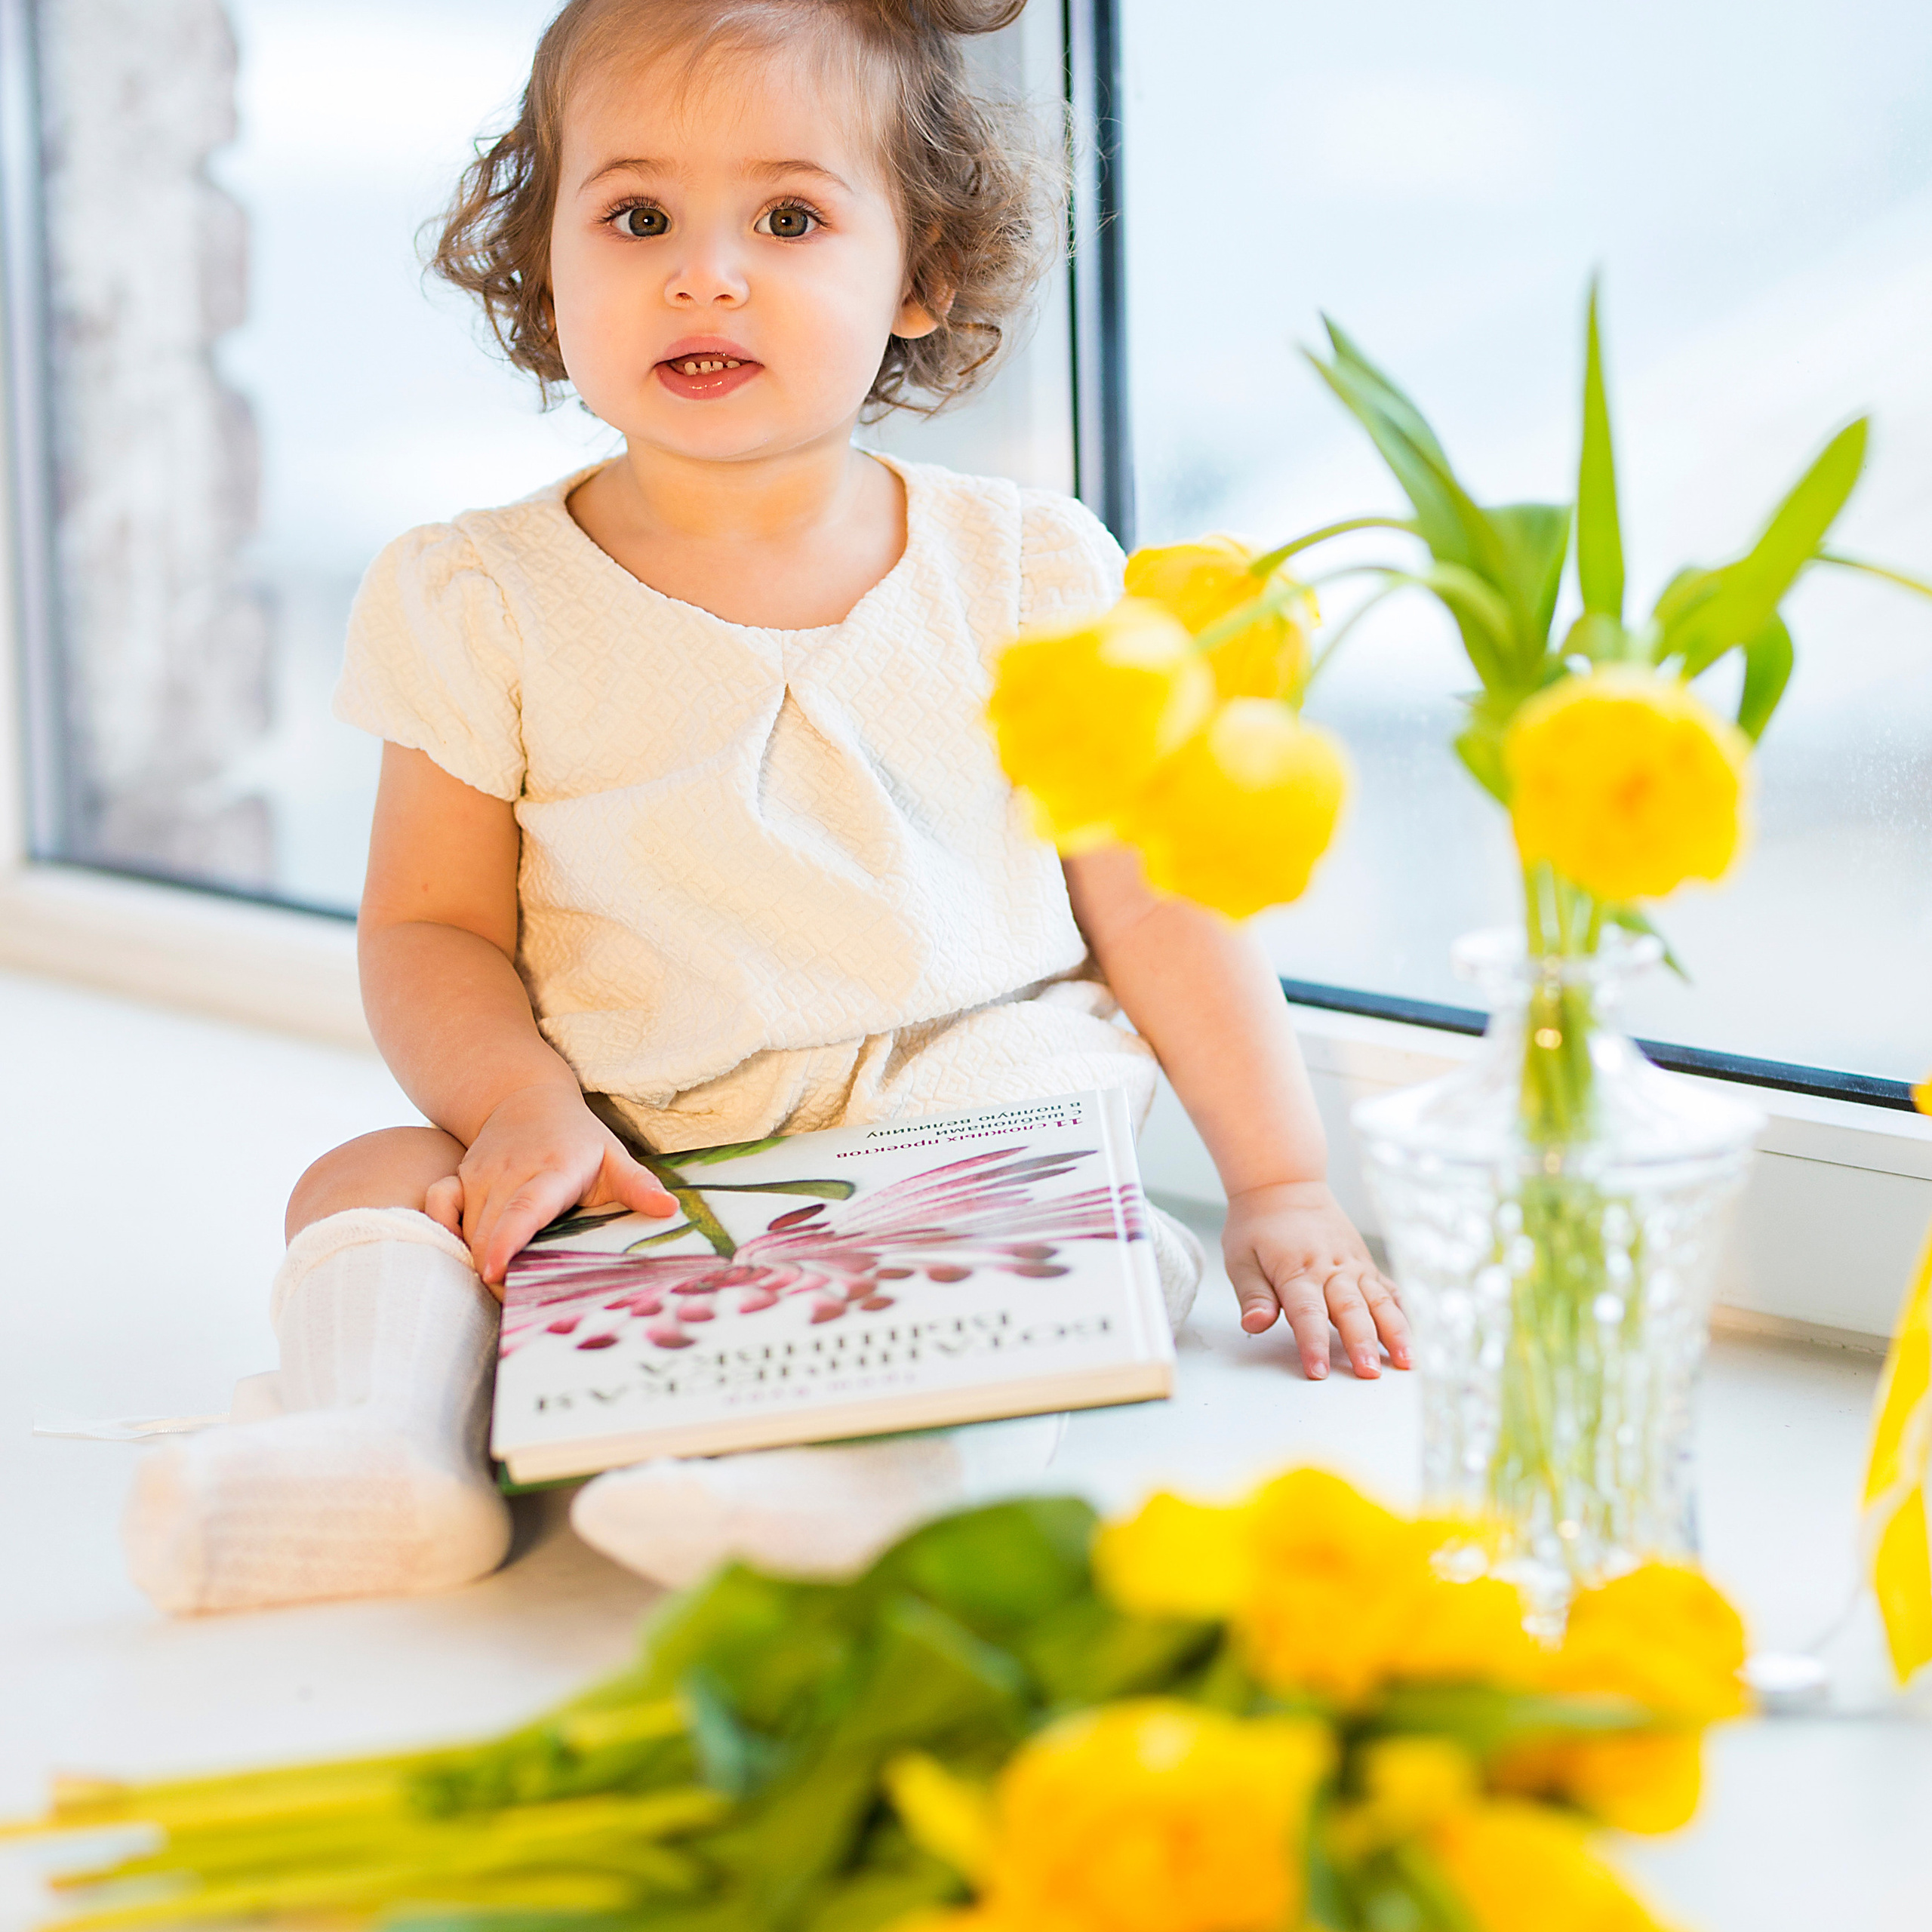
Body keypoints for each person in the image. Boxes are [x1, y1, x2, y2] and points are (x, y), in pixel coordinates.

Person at [122, 0, 1408, 1616]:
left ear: (920, 267)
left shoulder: (1023, 568)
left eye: (788, 219)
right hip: (634, 1153)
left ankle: (863, 1492)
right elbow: (430, 924)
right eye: (636, 215)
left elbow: (1150, 903)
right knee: (367, 1177)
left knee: (1080, 1240)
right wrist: (520, 1107)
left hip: (954, 1129)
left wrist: (1281, 1181)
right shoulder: (474, 593)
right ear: (544, 256)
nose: (702, 272)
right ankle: (393, 1457)